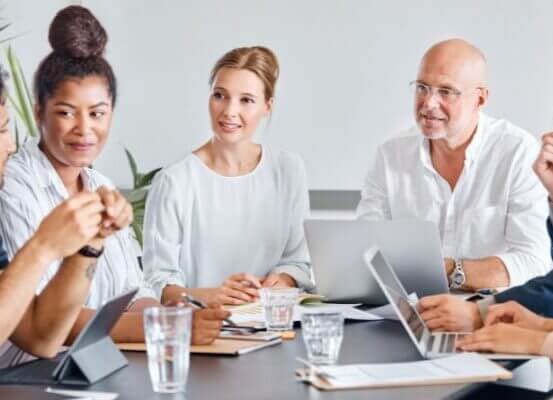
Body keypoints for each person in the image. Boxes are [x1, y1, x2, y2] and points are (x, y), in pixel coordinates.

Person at [0, 6, 228, 368]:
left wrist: (170, 316)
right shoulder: (13, 183)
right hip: (28, 372)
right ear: (38, 111)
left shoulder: (100, 186)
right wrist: (167, 326)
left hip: (94, 366)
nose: (84, 129)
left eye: (97, 113)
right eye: (66, 112)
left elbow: (132, 293)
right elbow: (47, 327)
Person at [357, 38, 550, 291]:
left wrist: (451, 271)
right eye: (422, 87)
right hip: (408, 311)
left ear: (480, 99)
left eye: (445, 92)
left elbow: (534, 261)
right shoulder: (391, 154)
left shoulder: (517, 152)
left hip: (490, 315)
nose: (428, 103)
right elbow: (365, 251)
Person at [143, 46, 314, 306]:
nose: (229, 111)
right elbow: (157, 282)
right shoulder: (174, 181)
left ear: (267, 106)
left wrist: (283, 280)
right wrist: (210, 296)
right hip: (201, 328)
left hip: (271, 322)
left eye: (246, 100)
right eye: (220, 96)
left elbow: (297, 260)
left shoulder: (289, 169)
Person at [0, 65, 112, 363]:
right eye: (0, 131)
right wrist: (42, 248)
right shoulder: (17, 186)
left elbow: (42, 338)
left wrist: (92, 241)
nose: (10, 146)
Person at [418, 131, 553, 335]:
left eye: (447, 95)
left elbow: (536, 265)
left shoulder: (516, 148)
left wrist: (480, 314)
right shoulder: (392, 150)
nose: (428, 103)